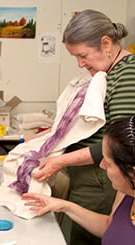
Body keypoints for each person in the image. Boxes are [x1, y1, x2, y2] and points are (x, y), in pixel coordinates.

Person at [31, 9, 135, 244]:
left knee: (85, 238)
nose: (80, 63)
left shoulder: (127, 74)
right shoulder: (107, 73)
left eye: (83, 55)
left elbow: (122, 145)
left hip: (102, 178)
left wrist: (60, 161)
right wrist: (49, 135)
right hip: (92, 174)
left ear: (106, 43)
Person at [23, 115, 135, 245]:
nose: (101, 165)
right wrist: (64, 206)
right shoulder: (127, 190)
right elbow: (110, 227)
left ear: (132, 172)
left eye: (108, 163)